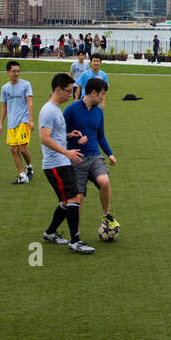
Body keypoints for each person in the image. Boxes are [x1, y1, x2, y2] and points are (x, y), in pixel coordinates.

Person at [38, 72, 92, 255]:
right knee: (74, 198)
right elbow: (44, 138)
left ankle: (50, 232)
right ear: (58, 89)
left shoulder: (56, 109)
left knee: (66, 200)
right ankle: (75, 241)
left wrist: (69, 135)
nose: (71, 95)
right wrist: (66, 152)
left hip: (61, 162)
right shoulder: (48, 110)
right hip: (55, 164)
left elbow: (53, 135)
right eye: (68, 91)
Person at [64, 77, 118, 237]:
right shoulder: (71, 110)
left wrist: (110, 154)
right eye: (102, 94)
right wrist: (74, 138)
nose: (103, 98)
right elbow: (59, 135)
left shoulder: (99, 112)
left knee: (104, 181)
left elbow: (101, 135)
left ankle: (106, 215)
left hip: (95, 156)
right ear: (93, 92)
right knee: (78, 198)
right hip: (76, 158)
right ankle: (75, 235)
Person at [0, 60, 36, 184]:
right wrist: (0, 124)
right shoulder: (5, 88)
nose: (16, 73)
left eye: (18, 71)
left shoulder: (26, 85)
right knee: (13, 150)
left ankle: (29, 166)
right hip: (11, 122)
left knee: (22, 149)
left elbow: (30, 101)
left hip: (23, 121)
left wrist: (30, 120)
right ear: (8, 72)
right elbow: (4, 106)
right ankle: (22, 175)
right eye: (13, 71)